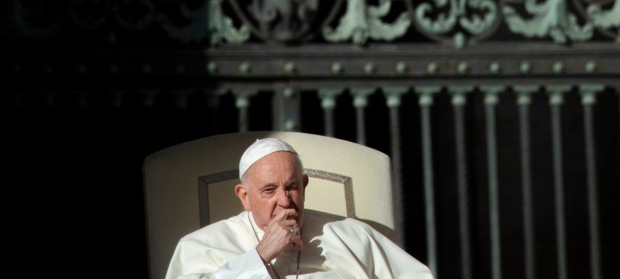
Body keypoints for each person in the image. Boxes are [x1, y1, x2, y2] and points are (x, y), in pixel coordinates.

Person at [165, 137, 435, 278]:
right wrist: (259, 255)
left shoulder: (353, 236)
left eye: (292, 187)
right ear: (244, 196)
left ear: (304, 185)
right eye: (269, 190)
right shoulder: (199, 247)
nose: (284, 200)